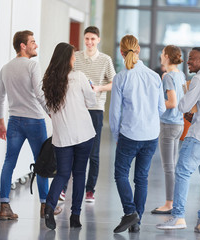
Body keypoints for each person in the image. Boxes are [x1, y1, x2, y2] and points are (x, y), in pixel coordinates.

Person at [156, 47, 200, 233]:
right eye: (188, 59)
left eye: (193, 59)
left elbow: (183, 106)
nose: (188, 62)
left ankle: (178, 216)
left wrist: (186, 94)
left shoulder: (199, 79)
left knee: (181, 171)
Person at [0, 30, 62, 220]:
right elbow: (40, 94)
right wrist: (52, 113)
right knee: (42, 163)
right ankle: (45, 207)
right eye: (32, 42)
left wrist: (1, 122)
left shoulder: (5, 68)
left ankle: (4, 207)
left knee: (9, 163)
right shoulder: (33, 66)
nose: (36, 45)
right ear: (22, 46)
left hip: (14, 121)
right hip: (34, 121)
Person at [109, 35, 166, 233]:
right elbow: (161, 109)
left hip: (129, 134)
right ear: (138, 50)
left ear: (121, 52)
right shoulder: (154, 76)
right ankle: (137, 221)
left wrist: (116, 136)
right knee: (141, 178)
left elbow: (115, 113)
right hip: (150, 135)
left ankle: (130, 212)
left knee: (120, 174)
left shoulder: (121, 77)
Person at [42, 42, 97, 230]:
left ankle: (49, 209)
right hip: (83, 133)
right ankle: (75, 216)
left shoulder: (48, 81)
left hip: (62, 136)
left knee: (63, 174)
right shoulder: (79, 77)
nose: (75, 59)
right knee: (79, 173)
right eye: (73, 56)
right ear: (68, 59)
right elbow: (91, 101)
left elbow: (48, 109)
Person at [73, 26, 116, 202]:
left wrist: (98, 88)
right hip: (77, 109)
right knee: (73, 148)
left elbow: (114, 83)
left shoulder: (105, 60)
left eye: (93, 39)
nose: (89, 42)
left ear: (98, 40)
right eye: (87, 39)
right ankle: (68, 187)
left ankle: (90, 190)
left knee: (93, 152)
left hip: (96, 109)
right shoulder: (75, 57)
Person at [151, 45, 185, 215]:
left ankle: (169, 203)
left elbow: (171, 102)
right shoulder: (181, 75)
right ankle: (174, 202)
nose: (161, 55)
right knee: (173, 166)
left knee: (168, 167)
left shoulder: (168, 77)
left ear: (167, 56)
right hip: (179, 124)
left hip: (168, 124)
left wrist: (155, 104)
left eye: (163, 53)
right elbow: (182, 100)